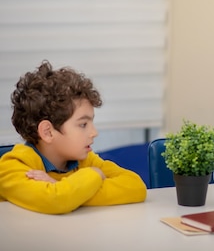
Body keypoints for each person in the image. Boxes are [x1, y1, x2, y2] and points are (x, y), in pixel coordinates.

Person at [0, 61, 147, 214]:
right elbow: (56, 201)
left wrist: (64, 188)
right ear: (48, 132)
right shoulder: (11, 168)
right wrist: (95, 174)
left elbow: (136, 187)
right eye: (83, 124)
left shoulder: (85, 160)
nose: (94, 132)